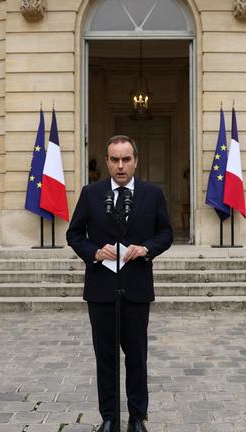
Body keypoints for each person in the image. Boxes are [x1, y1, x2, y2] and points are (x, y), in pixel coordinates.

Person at [66, 135, 173, 432]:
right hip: (101, 290)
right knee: (106, 358)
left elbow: (166, 234)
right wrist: (95, 253)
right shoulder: (91, 193)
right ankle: (109, 417)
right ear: (107, 161)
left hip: (136, 289)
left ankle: (137, 418)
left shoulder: (152, 194)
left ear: (135, 161)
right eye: (114, 159)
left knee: (137, 358)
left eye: (126, 159)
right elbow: (74, 235)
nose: (120, 166)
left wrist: (146, 248)